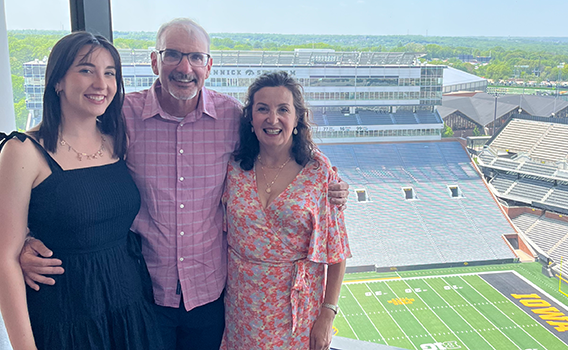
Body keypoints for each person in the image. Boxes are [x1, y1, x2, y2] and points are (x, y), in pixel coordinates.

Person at [19, 18, 350, 350]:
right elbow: (74, 163)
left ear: (208, 66)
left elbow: (280, 136)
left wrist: (330, 181)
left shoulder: (232, 117)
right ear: (154, 61)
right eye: (173, 54)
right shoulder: (120, 115)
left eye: (195, 57)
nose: (184, 67)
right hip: (141, 292)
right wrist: (27, 237)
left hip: (211, 294)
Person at [0, 32, 162, 349]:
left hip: (129, 313)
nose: (101, 84)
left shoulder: (117, 140)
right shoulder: (22, 151)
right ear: (58, 80)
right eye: (86, 70)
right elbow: (4, 257)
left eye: (110, 73)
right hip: (66, 322)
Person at [221, 71, 350, 350]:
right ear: (250, 118)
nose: (272, 118)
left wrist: (327, 313)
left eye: (283, 109)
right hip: (241, 310)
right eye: (262, 109)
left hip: (297, 314)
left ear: (297, 118)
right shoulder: (233, 167)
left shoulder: (319, 172)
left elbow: (337, 251)